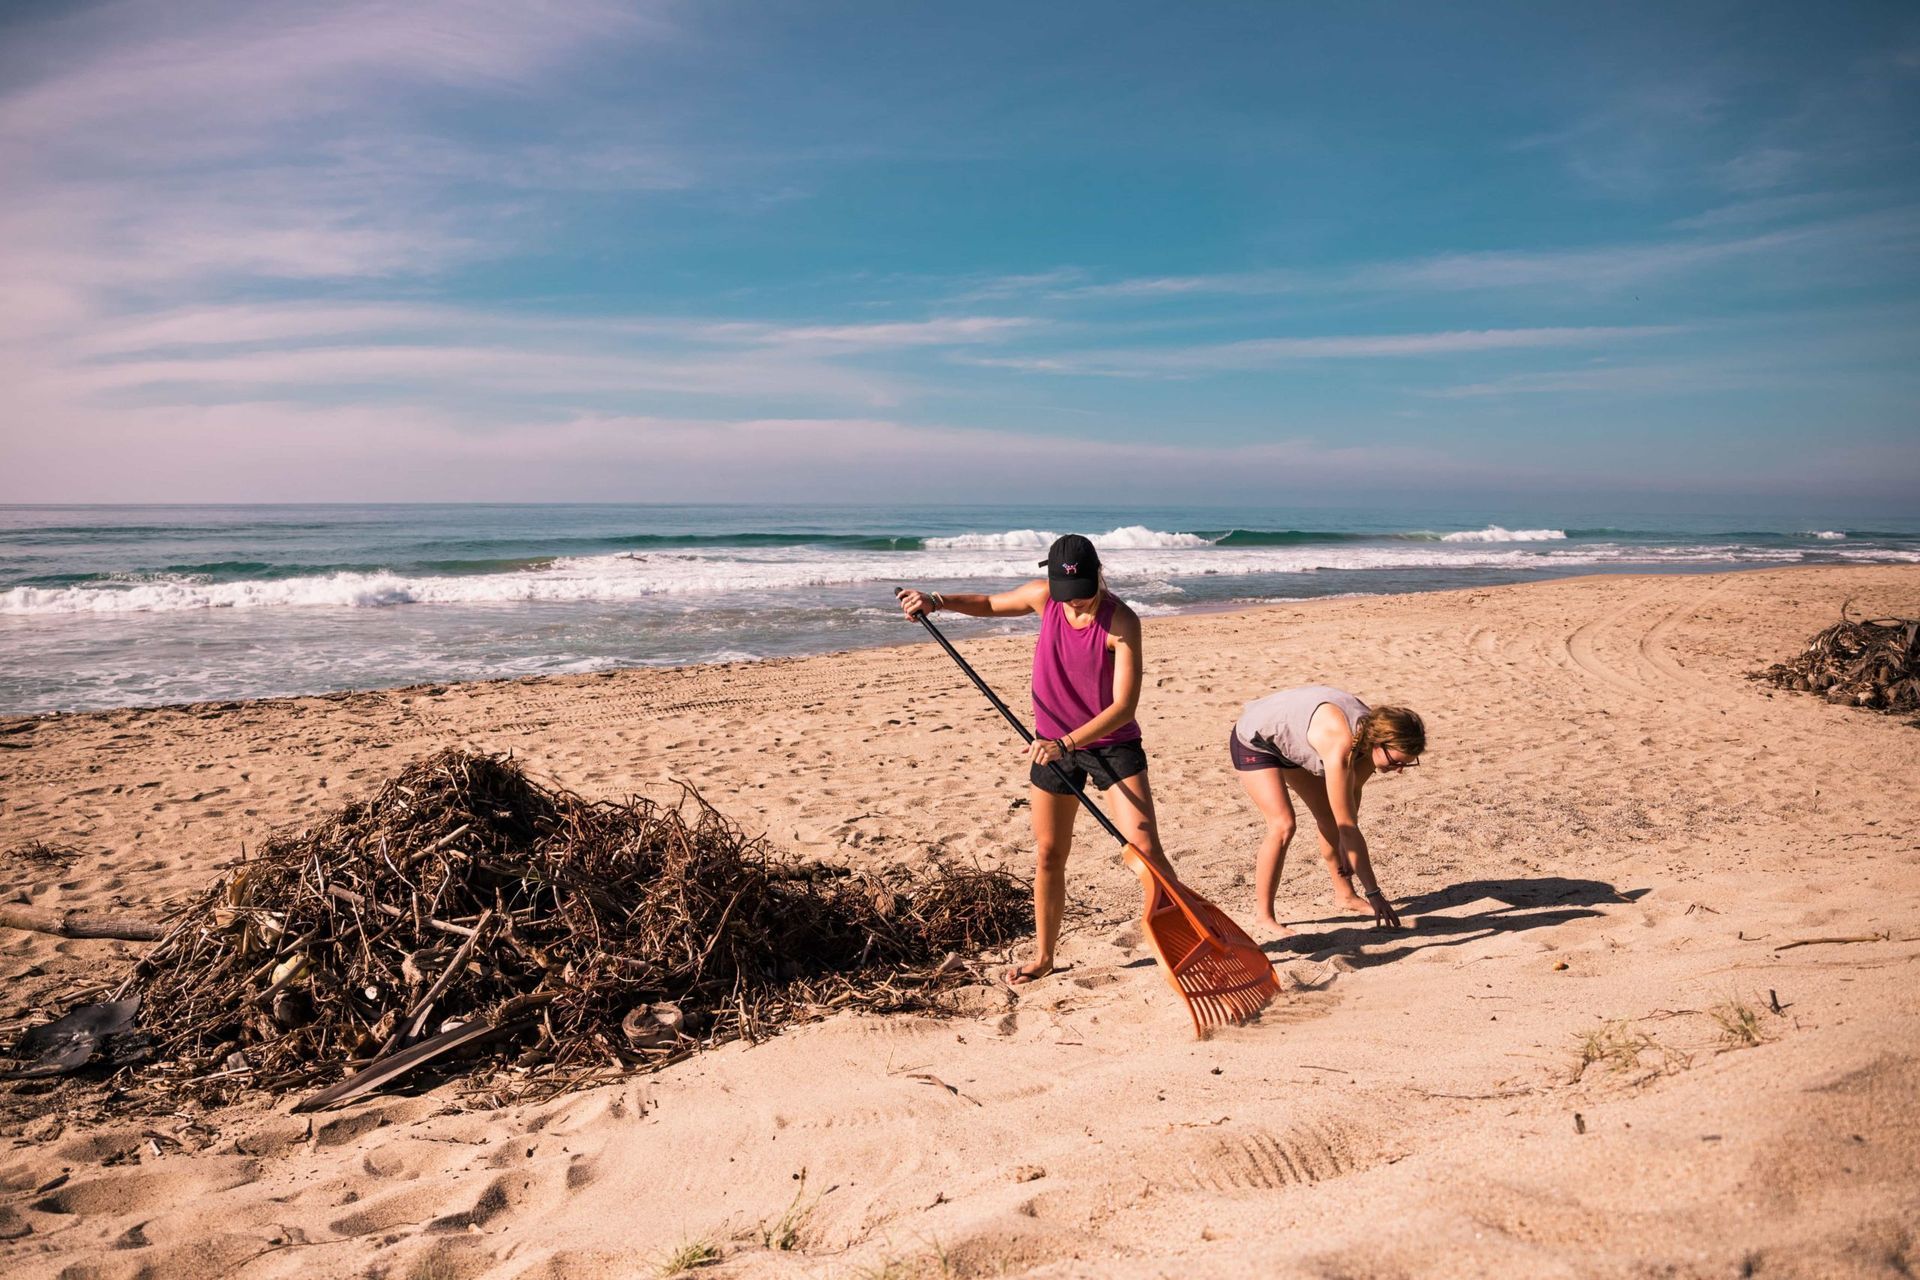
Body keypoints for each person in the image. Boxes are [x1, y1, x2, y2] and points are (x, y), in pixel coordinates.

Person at [898, 533, 1171, 985]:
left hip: (1109, 745)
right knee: (1048, 854)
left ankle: (1177, 936)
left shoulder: (1121, 621)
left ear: (1098, 575)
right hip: (1050, 745)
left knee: (1144, 849)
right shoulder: (1044, 598)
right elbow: (988, 603)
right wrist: (936, 600)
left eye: (1084, 595)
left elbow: (1123, 707)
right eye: (1069, 598)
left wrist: (1068, 742)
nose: (1077, 606)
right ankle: (1044, 955)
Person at [1229, 686, 1425, 933]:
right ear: (1381, 742)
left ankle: (1345, 896)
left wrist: (1345, 842)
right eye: (1396, 762)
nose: (1398, 769)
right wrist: (1374, 893)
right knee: (1283, 825)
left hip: (1291, 739)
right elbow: (1349, 827)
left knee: (1332, 820)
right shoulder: (1341, 743)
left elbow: (1350, 798)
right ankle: (1264, 916)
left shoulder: (1366, 744)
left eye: (1405, 765)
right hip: (1256, 740)